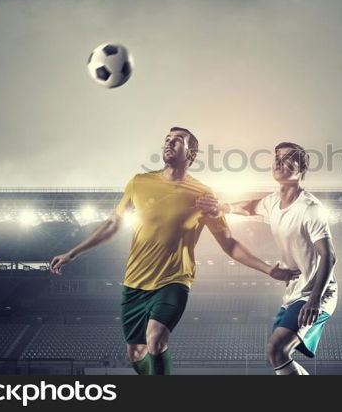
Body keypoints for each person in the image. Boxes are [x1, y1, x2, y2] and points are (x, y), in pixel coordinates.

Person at [49, 127, 298, 375]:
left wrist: (268, 269)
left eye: (177, 141)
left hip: (174, 280)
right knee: (136, 353)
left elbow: (229, 244)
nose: (168, 143)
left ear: (191, 155)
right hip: (135, 281)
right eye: (166, 140)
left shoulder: (203, 194)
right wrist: (73, 253)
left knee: (156, 339)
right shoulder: (139, 183)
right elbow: (113, 223)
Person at [196, 142, 337, 375]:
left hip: (316, 294)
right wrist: (222, 207)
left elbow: (329, 257)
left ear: (301, 168)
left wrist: (314, 300)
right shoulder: (272, 201)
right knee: (277, 354)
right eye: (277, 157)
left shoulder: (310, 208)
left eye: (288, 158)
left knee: (275, 348)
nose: (280, 161)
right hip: (294, 292)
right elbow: (249, 207)